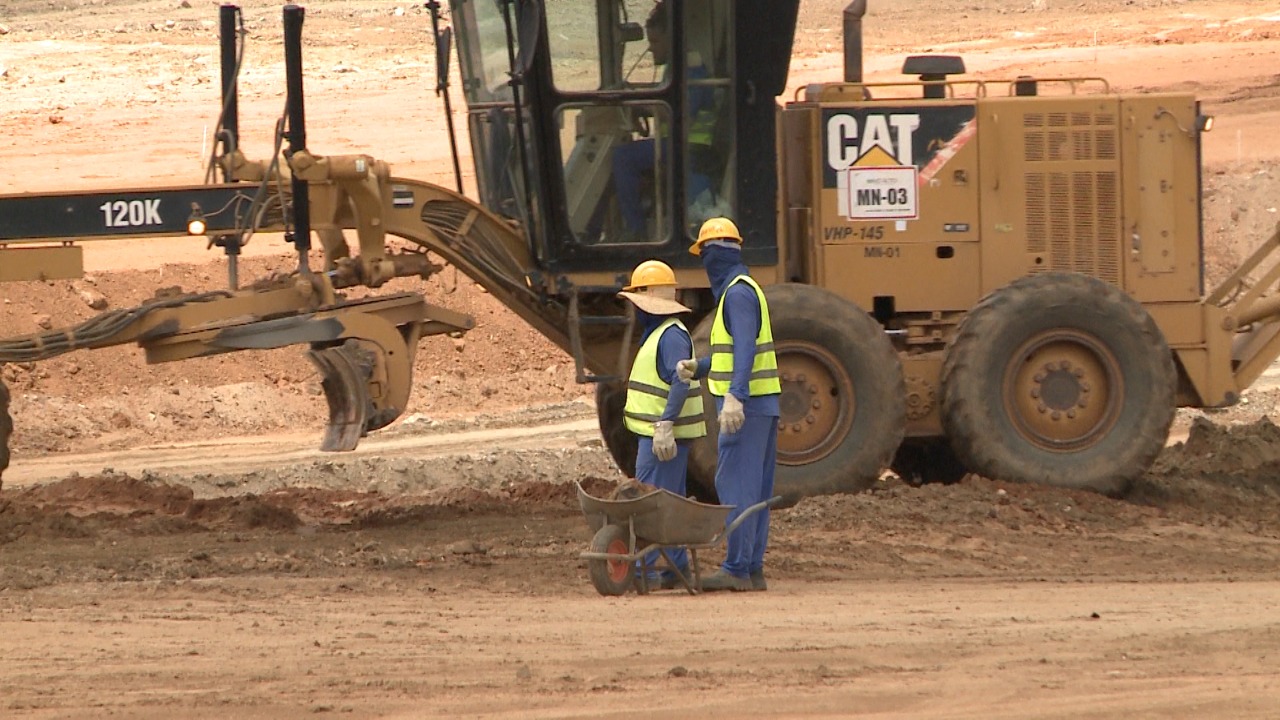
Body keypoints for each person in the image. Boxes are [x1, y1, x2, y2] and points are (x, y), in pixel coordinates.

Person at [678, 217, 779, 592]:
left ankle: (737, 567)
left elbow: (746, 349)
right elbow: (731, 352)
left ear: (714, 254)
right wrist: (701, 367)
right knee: (753, 488)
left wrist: (736, 396)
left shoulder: (736, 294)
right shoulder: (743, 290)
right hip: (761, 406)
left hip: (746, 409)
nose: (703, 263)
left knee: (735, 484)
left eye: (704, 254)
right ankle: (751, 568)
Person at [617, 259, 706, 590]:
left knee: (652, 503)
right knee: (667, 499)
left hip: (663, 437)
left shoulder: (669, 337)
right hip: (656, 434)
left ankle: (648, 570)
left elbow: (680, 382)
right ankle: (675, 567)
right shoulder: (660, 333)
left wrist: (666, 424)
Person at [611, 0, 717, 241]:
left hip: (691, 147)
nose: (651, 49)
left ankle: (636, 230)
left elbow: (680, 112)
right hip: (678, 143)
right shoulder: (677, 69)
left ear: (672, 39)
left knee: (623, 158)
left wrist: (643, 105)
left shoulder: (691, 70)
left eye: (656, 41)